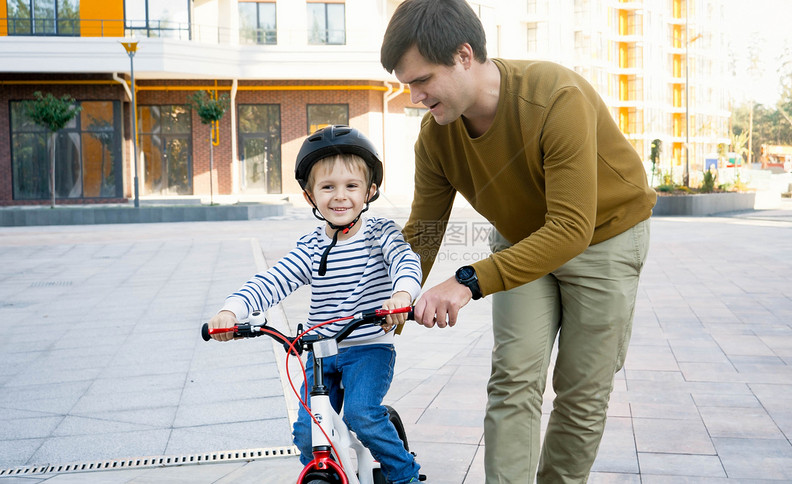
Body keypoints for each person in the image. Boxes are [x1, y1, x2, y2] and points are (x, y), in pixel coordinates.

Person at [380, 1, 656, 482]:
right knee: (513, 380)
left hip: (604, 236)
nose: (415, 96)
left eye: (422, 81)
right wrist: (391, 305)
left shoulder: (556, 96)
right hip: (522, 237)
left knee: (581, 390)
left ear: (464, 56)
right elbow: (423, 230)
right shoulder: (436, 137)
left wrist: (467, 281)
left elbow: (570, 228)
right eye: (408, 85)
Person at [207, 125, 423, 484]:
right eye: (327, 187)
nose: (340, 197)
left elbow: (405, 261)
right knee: (308, 435)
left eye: (351, 186)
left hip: (369, 348)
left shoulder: (380, 232)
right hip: (320, 352)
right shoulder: (310, 246)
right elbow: (273, 280)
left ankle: (405, 475)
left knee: (362, 414)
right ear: (310, 196)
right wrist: (232, 310)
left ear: (370, 191)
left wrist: (402, 295)